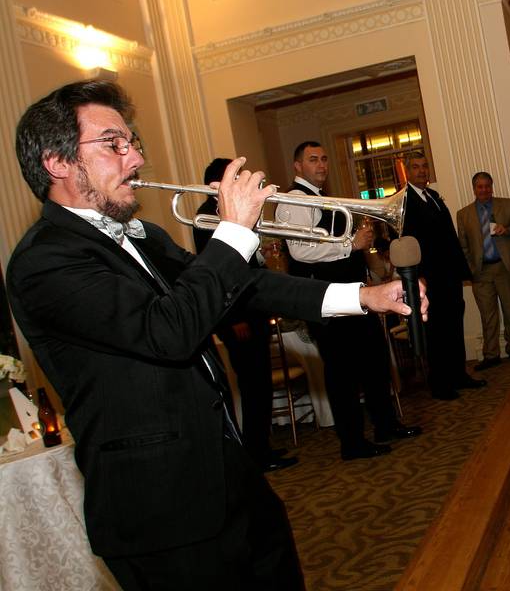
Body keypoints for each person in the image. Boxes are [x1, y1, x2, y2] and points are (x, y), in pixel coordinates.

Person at [5, 80, 427, 590]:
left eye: (133, 141)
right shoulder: (44, 261)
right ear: (57, 162)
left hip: (225, 473)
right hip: (159, 507)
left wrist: (363, 296)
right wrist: (234, 231)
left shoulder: (147, 236)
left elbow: (243, 288)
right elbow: (167, 333)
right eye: (115, 143)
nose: (136, 157)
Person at [278, 141, 421, 460]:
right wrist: (351, 245)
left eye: (324, 159)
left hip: (352, 296)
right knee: (342, 374)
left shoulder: (322, 198)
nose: (322, 165)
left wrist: (359, 253)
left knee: (374, 362)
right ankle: (352, 442)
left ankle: (386, 424)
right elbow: (301, 251)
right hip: (326, 301)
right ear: (298, 167)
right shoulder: (293, 200)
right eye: (313, 160)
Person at [195, 157, 297, 472]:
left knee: (261, 384)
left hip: (253, 312)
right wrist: (233, 319)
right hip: (237, 317)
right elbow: (216, 272)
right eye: (236, 176)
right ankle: (255, 453)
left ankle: (261, 447)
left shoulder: (232, 213)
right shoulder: (205, 216)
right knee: (253, 385)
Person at [401, 151, 484, 399]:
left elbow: (449, 236)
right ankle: (440, 383)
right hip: (428, 277)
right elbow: (406, 240)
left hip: (448, 274)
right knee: (436, 331)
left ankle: (459, 374)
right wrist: (418, 276)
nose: (422, 171)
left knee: (454, 325)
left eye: (425, 166)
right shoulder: (404, 201)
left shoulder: (434, 197)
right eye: (416, 167)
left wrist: (461, 270)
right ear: (407, 171)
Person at [455, 171, 510, 371]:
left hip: (505, 267)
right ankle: (491, 354)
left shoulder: (508, 204)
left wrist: (507, 229)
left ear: (492, 186)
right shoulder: (464, 214)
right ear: (474, 188)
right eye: (480, 186)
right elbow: (463, 246)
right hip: (481, 272)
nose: (484, 190)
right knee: (488, 315)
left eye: (487, 186)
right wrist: (470, 268)